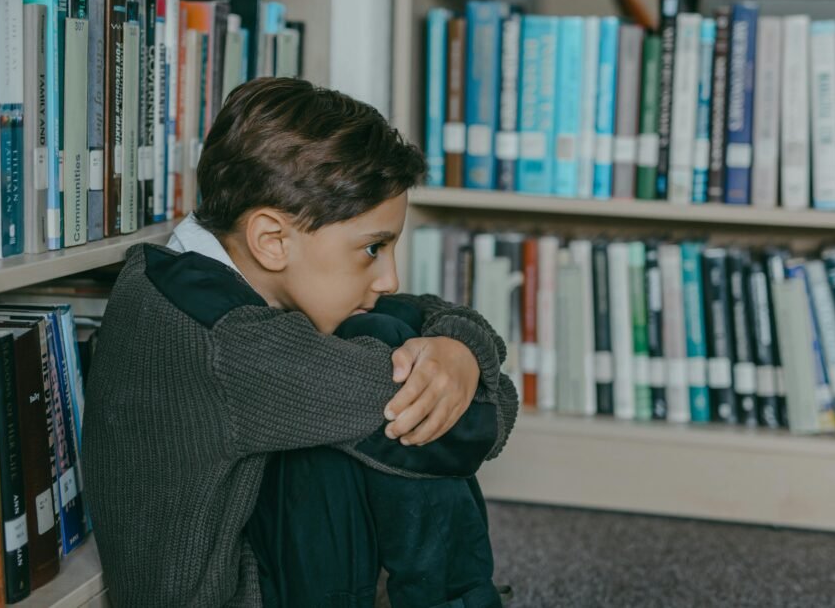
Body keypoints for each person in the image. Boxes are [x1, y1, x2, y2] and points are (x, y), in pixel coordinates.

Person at [82, 78, 519, 607]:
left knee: (388, 335)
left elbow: (418, 312)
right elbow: (478, 425)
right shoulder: (235, 346)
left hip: (244, 563)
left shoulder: (174, 275)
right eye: (373, 249)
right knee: (385, 349)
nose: (390, 278)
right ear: (271, 240)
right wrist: (470, 369)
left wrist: (459, 349)